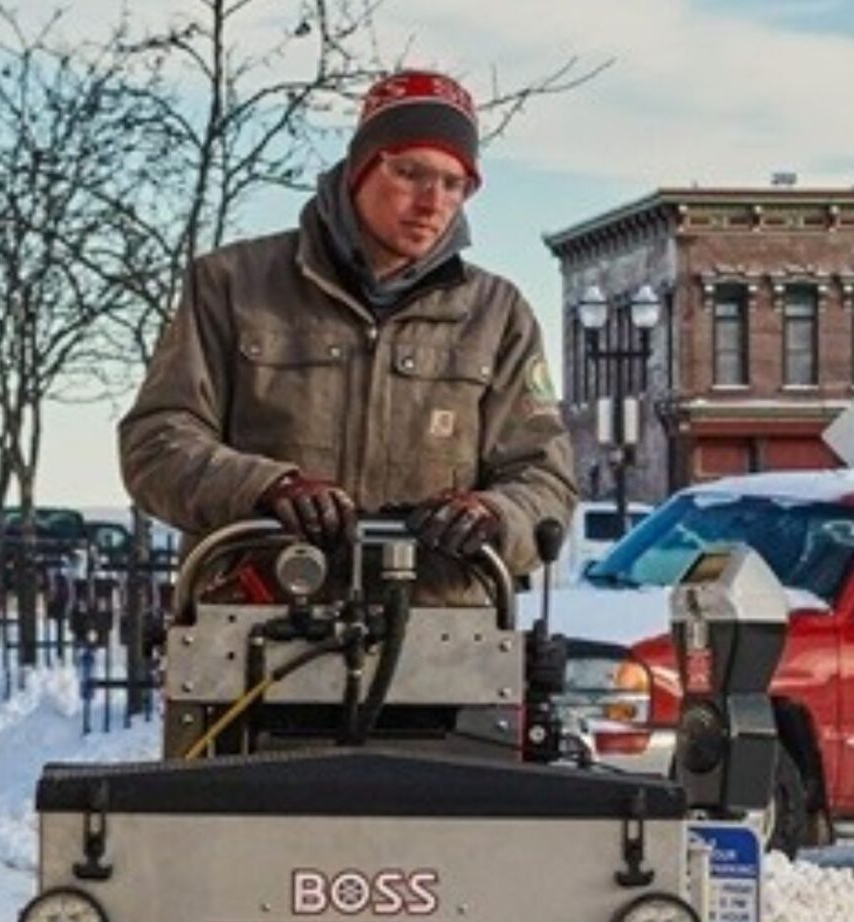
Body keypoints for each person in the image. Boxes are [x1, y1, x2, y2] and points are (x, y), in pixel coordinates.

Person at [119, 69, 575, 605]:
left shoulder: (498, 315)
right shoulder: (231, 284)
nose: (432, 203)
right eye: (410, 173)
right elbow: (158, 442)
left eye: (454, 184)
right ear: (360, 169)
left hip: (437, 640)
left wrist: (495, 514)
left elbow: (545, 477)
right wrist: (265, 487)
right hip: (256, 621)